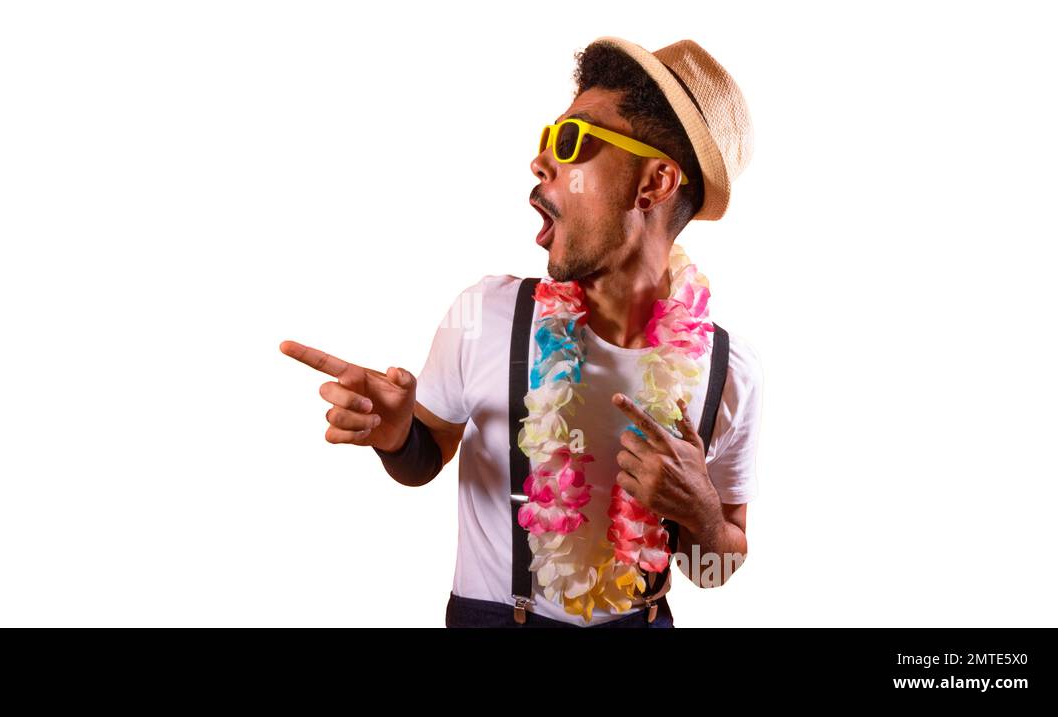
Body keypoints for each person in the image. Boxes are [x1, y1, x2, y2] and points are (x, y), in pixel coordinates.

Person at [281, 36, 761, 627]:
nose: (541, 162)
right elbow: (423, 461)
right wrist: (397, 433)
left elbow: (715, 570)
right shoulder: (485, 314)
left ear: (655, 183)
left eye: (572, 141)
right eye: (546, 139)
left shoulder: (727, 370)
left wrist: (705, 517)